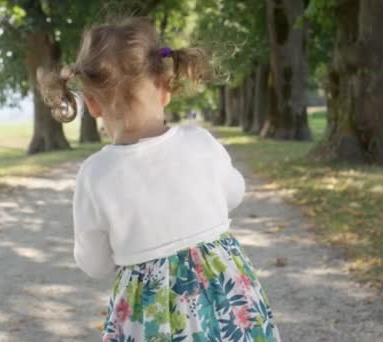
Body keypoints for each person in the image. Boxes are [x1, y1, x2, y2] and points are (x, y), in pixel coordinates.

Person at [39, 17, 281, 342]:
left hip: (149, 315)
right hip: (226, 297)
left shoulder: (96, 175)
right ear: (166, 86)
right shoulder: (200, 142)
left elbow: (94, 263)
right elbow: (234, 192)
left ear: (92, 103)